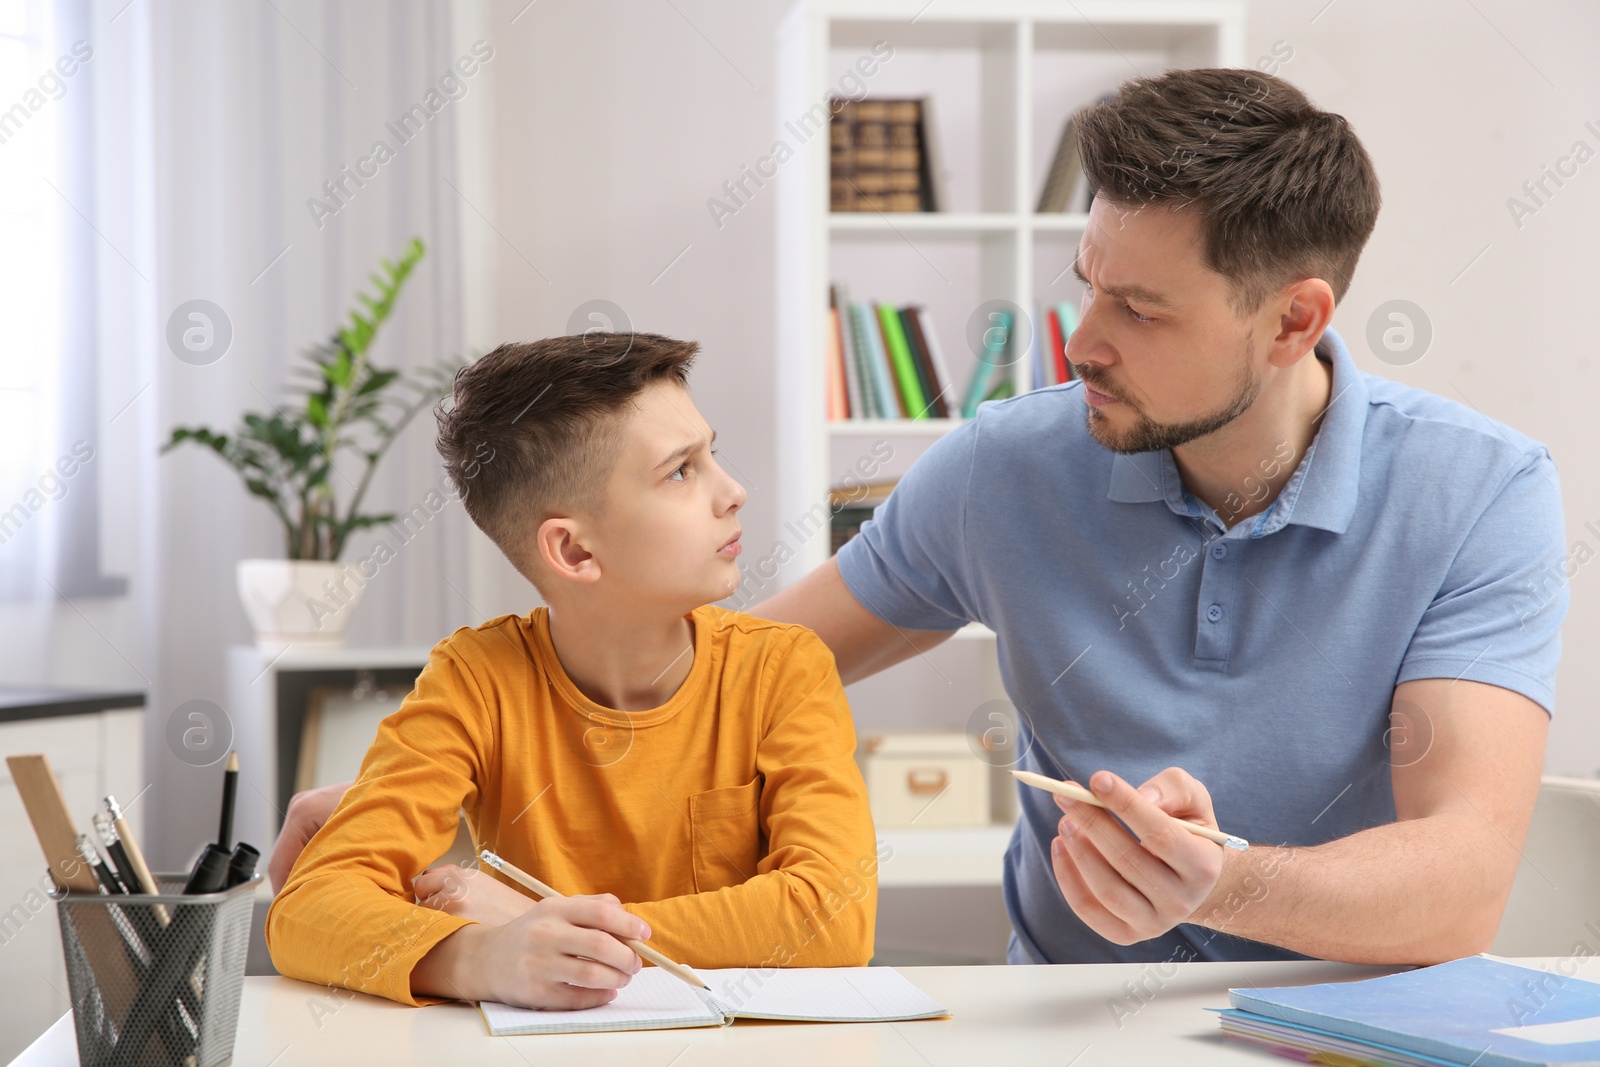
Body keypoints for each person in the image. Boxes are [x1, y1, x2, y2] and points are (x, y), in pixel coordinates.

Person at [272, 65, 1568, 971]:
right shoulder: (1009, 464)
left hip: (1334, 1015)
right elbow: (736, 672)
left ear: (1294, 320)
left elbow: (1461, 876)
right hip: (1060, 1014)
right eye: (1086, 284)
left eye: (1144, 311)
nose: (1082, 342)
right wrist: (443, 781)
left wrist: (1223, 878)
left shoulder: (1478, 493)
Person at [265, 333, 877, 1010]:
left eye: (712, 454)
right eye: (681, 471)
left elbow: (832, 916)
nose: (733, 491)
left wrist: (544, 927)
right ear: (575, 549)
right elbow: (307, 909)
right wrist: (482, 954)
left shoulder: (783, 668)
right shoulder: (475, 679)